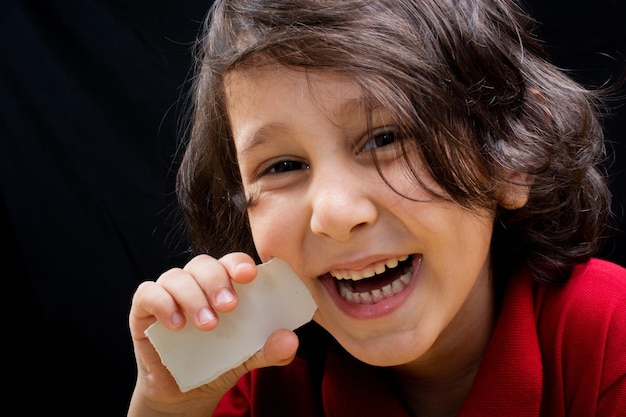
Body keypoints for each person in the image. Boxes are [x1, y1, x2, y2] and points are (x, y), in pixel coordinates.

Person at [127, 0, 626, 416]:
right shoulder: (256, 376)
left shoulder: (609, 336)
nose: (336, 214)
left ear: (512, 157)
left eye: (385, 138)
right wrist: (168, 406)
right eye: (281, 166)